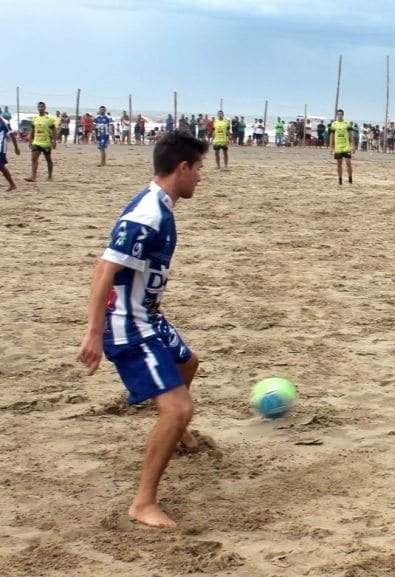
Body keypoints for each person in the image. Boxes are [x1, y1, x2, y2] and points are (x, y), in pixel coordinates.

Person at [76, 130, 209, 528]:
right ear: (182, 167)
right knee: (178, 407)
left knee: (188, 364)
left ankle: (175, 430)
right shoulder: (147, 214)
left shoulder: (161, 205)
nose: (201, 177)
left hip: (149, 314)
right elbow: (103, 269)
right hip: (128, 325)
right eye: (198, 169)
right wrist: (93, 333)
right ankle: (143, 503)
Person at [26, 101, 58, 182]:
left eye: (42, 107)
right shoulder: (35, 119)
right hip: (36, 142)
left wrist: (54, 141)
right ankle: (33, 176)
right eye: (39, 107)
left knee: (48, 160)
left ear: (45, 108)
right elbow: (32, 131)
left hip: (46, 143)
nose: (40, 108)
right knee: (33, 159)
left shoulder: (49, 119)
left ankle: (50, 176)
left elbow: (54, 130)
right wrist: (30, 141)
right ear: (37, 108)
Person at [329, 109, 355, 185]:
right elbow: (331, 136)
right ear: (337, 115)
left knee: (348, 162)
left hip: (346, 147)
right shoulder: (334, 124)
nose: (339, 116)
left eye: (341, 114)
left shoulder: (347, 123)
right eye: (338, 114)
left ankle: (350, 178)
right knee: (339, 164)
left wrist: (353, 146)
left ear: (343, 115)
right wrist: (331, 147)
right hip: (338, 147)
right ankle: (340, 180)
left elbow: (351, 135)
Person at [0, 113, 21, 190]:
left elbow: (12, 135)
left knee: (1, 165)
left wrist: (16, 147)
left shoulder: (5, 122)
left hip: (1, 147)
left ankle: (12, 184)